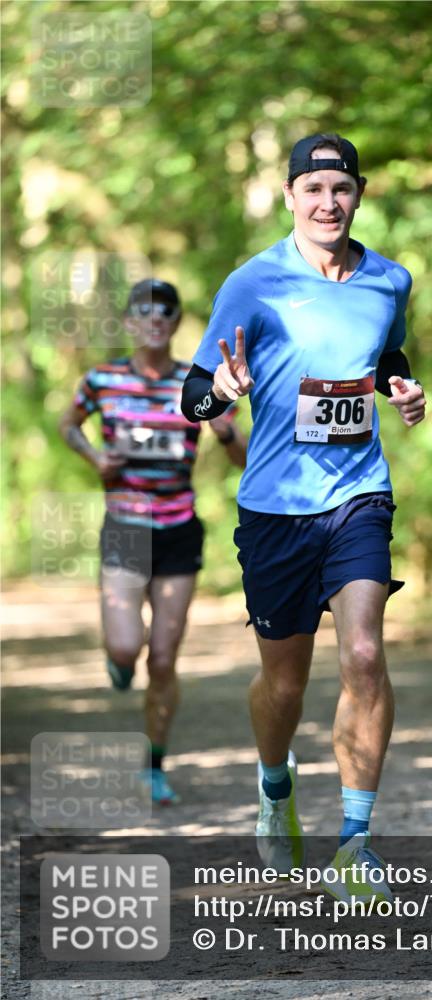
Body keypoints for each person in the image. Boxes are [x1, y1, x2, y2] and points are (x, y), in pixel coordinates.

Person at [181, 134, 425, 902]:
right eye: (312, 189)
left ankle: (354, 841)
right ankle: (274, 787)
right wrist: (221, 388)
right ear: (289, 195)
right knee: (282, 686)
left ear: (359, 195)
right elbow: (192, 395)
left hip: (357, 495)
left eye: (340, 190)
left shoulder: (389, 279)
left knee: (360, 653)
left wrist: (403, 391)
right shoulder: (252, 282)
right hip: (274, 508)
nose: (327, 203)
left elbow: (388, 360)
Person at [60, 278, 246, 805]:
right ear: (129, 321)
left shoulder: (197, 380)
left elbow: (241, 456)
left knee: (163, 660)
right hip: (125, 525)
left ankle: (154, 765)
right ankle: (118, 661)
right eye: (144, 311)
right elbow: (68, 425)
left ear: (175, 321)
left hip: (178, 529)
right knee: (127, 647)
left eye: (166, 311)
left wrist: (224, 428)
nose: (155, 320)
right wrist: (96, 458)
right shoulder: (102, 379)